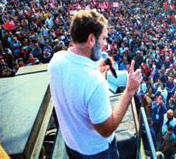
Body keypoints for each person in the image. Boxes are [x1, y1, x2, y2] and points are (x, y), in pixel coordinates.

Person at [48, 10, 142, 158]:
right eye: (104, 38)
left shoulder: (55, 61)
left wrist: (96, 67)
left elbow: (76, 76)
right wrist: (129, 90)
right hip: (97, 152)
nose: (105, 44)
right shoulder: (94, 82)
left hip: (71, 144)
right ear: (91, 39)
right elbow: (107, 129)